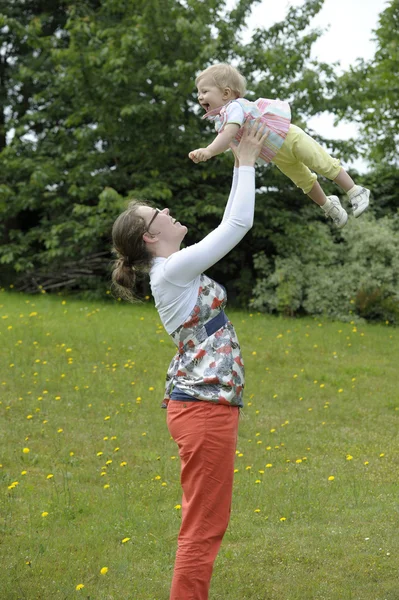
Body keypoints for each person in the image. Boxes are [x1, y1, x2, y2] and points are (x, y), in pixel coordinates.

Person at [111, 121, 269, 600]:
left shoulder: (174, 269)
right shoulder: (172, 270)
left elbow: (226, 227)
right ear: (148, 237)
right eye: (154, 212)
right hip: (202, 411)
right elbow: (237, 226)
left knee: (206, 522)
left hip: (204, 408)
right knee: (204, 525)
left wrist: (244, 167)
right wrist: (243, 162)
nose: (165, 210)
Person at [189, 62, 370, 229]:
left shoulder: (234, 108)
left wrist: (208, 150)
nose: (200, 97)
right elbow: (231, 145)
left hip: (289, 137)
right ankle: (329, 206)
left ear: (226, 93)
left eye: (204, 91)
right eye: (198, 93)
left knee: (323, 163)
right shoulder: (220, 121)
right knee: (304, 181)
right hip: (276, 154)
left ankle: (355, 190)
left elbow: (227, 135)